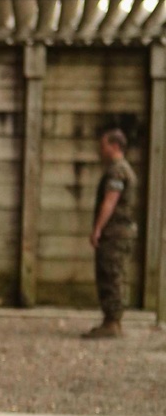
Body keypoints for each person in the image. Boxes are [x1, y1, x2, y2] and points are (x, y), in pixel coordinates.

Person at [85, 128, 138, 339]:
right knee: (113, 273)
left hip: (115, 233)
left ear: (115, 146)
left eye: (104, 145)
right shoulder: (122, 169)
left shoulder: (117, 171)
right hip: (119, 232)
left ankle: (112, 322)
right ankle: (112, 319)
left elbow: (110, 201)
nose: (101, 149)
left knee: (111, 274)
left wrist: (97, 229)